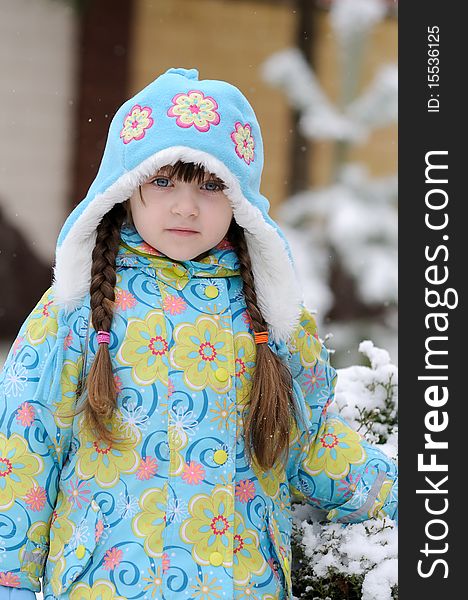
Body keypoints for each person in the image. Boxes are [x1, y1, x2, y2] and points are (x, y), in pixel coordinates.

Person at [0, 67, 397, 600]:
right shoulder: (74, 312)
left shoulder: (272, 320)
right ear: (125, 187)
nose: (185, 206)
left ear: (239, 198)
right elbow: (23, 458)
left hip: (241, 584)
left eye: (211, 185)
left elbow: (311, 444)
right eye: (162, 181)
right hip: (102, 587)